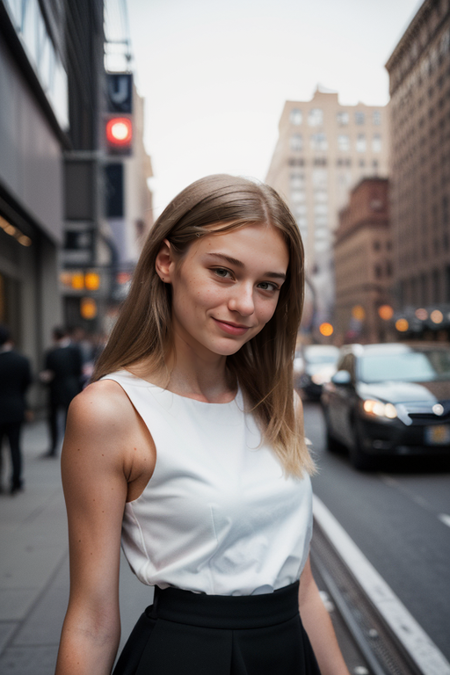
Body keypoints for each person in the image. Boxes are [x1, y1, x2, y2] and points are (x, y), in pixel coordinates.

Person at [55, 175, 350, 675]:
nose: (245, 304)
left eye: (267, 286)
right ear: (166, 262)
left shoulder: (280, 405)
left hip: (289, 655)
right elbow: (92, 619)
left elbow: (302, 589)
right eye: (223, 272)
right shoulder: (109, 411)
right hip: (185, 659)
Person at [40, 327, 83, 457]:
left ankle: (53, 446)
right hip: (71, 388)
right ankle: (71, 446)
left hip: (55, 389)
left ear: (55, 337)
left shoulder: (51, 353)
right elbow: (78, 370)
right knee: (70, 419)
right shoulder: (75, 350)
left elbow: (47, 373)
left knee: (53, 418)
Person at [0, 324, 32, 494]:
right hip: (15, 408)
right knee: (15, 447)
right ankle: (16, 481)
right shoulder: (21, 360)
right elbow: (27, 383)